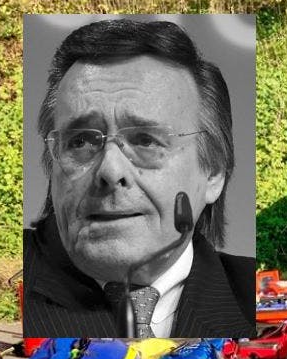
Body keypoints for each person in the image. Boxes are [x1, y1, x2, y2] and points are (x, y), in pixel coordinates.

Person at [24, 19, 255, 338]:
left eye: (145, 140)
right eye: (81, 141)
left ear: (213, 172)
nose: (110, 170)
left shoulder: (254, 294)